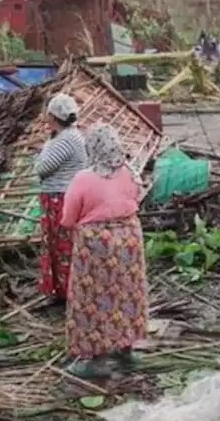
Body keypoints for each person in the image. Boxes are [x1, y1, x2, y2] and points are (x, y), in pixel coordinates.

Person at [60, 124, 148, 379]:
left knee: (94, 298)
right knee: (127, 293)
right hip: (130, 239)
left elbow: (68, 219)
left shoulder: (84, 178)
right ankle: (126, 349)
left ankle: (95, 358)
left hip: (97, 246)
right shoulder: (129, 172)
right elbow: (136, 198)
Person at [34, 93, 88, 301]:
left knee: (62, 246)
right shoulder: (65, 136)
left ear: (53, 116)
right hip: (60, 196)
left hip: (61, 199)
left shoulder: (65, 140)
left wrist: (37, 157)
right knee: (59, 244)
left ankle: (68, 291)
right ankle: (62, 289)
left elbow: (42, 169)